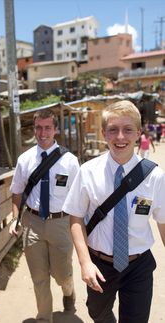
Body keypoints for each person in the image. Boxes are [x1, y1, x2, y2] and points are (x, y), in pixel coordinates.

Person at [63, 100, 165, 323]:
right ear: (103, 133)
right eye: (113, 130)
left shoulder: (155, 177)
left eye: (128, 129)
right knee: (97, 313)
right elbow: (76, 216)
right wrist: (84, 262)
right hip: (99, 264)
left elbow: (163, 221)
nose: (120, 137)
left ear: (138, 133)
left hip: (138, 265)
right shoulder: (88, 171)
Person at [9, 109, 80, 322]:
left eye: (47, 127)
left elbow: (78, 199)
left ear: (56, 129)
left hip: (61, 223)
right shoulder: (25, 159)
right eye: (38, 127)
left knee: (62, 274)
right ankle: (44, 318)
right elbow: (17, 191)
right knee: (39, 278)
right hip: (32, 223)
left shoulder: (70, 162)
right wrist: (15, 218)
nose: (42, 132)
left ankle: (69, 291)